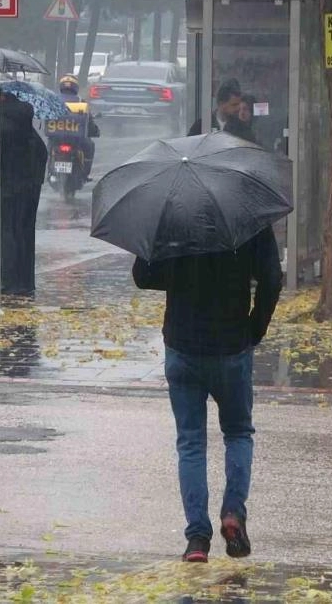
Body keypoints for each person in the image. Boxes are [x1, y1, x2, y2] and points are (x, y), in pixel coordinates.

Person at [133, 226, 282, 563]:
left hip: (183, 345)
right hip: (232, 345)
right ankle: (233, 512)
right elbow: (272, 278)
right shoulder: (248, 215)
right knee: (239, 432)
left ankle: (197, 538)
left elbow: (143, 276)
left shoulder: (174, 214)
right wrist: (254, 327)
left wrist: (176, 268)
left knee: (190, 442)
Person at [0, 93, 49, 296]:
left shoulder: (2, 130)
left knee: (7, 234)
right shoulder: (31, 135)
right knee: (25, 235)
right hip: (30, 193)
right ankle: (25, 282)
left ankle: (9, 280)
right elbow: (42, 158)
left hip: (8, 192)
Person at [56, 74, 99, 180]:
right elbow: (89, 120)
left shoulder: (54, 100)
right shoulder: (81, 102)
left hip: (56, 139)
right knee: (90, 146)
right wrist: (95, 131)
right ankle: (86, 174)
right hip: (77, 140)